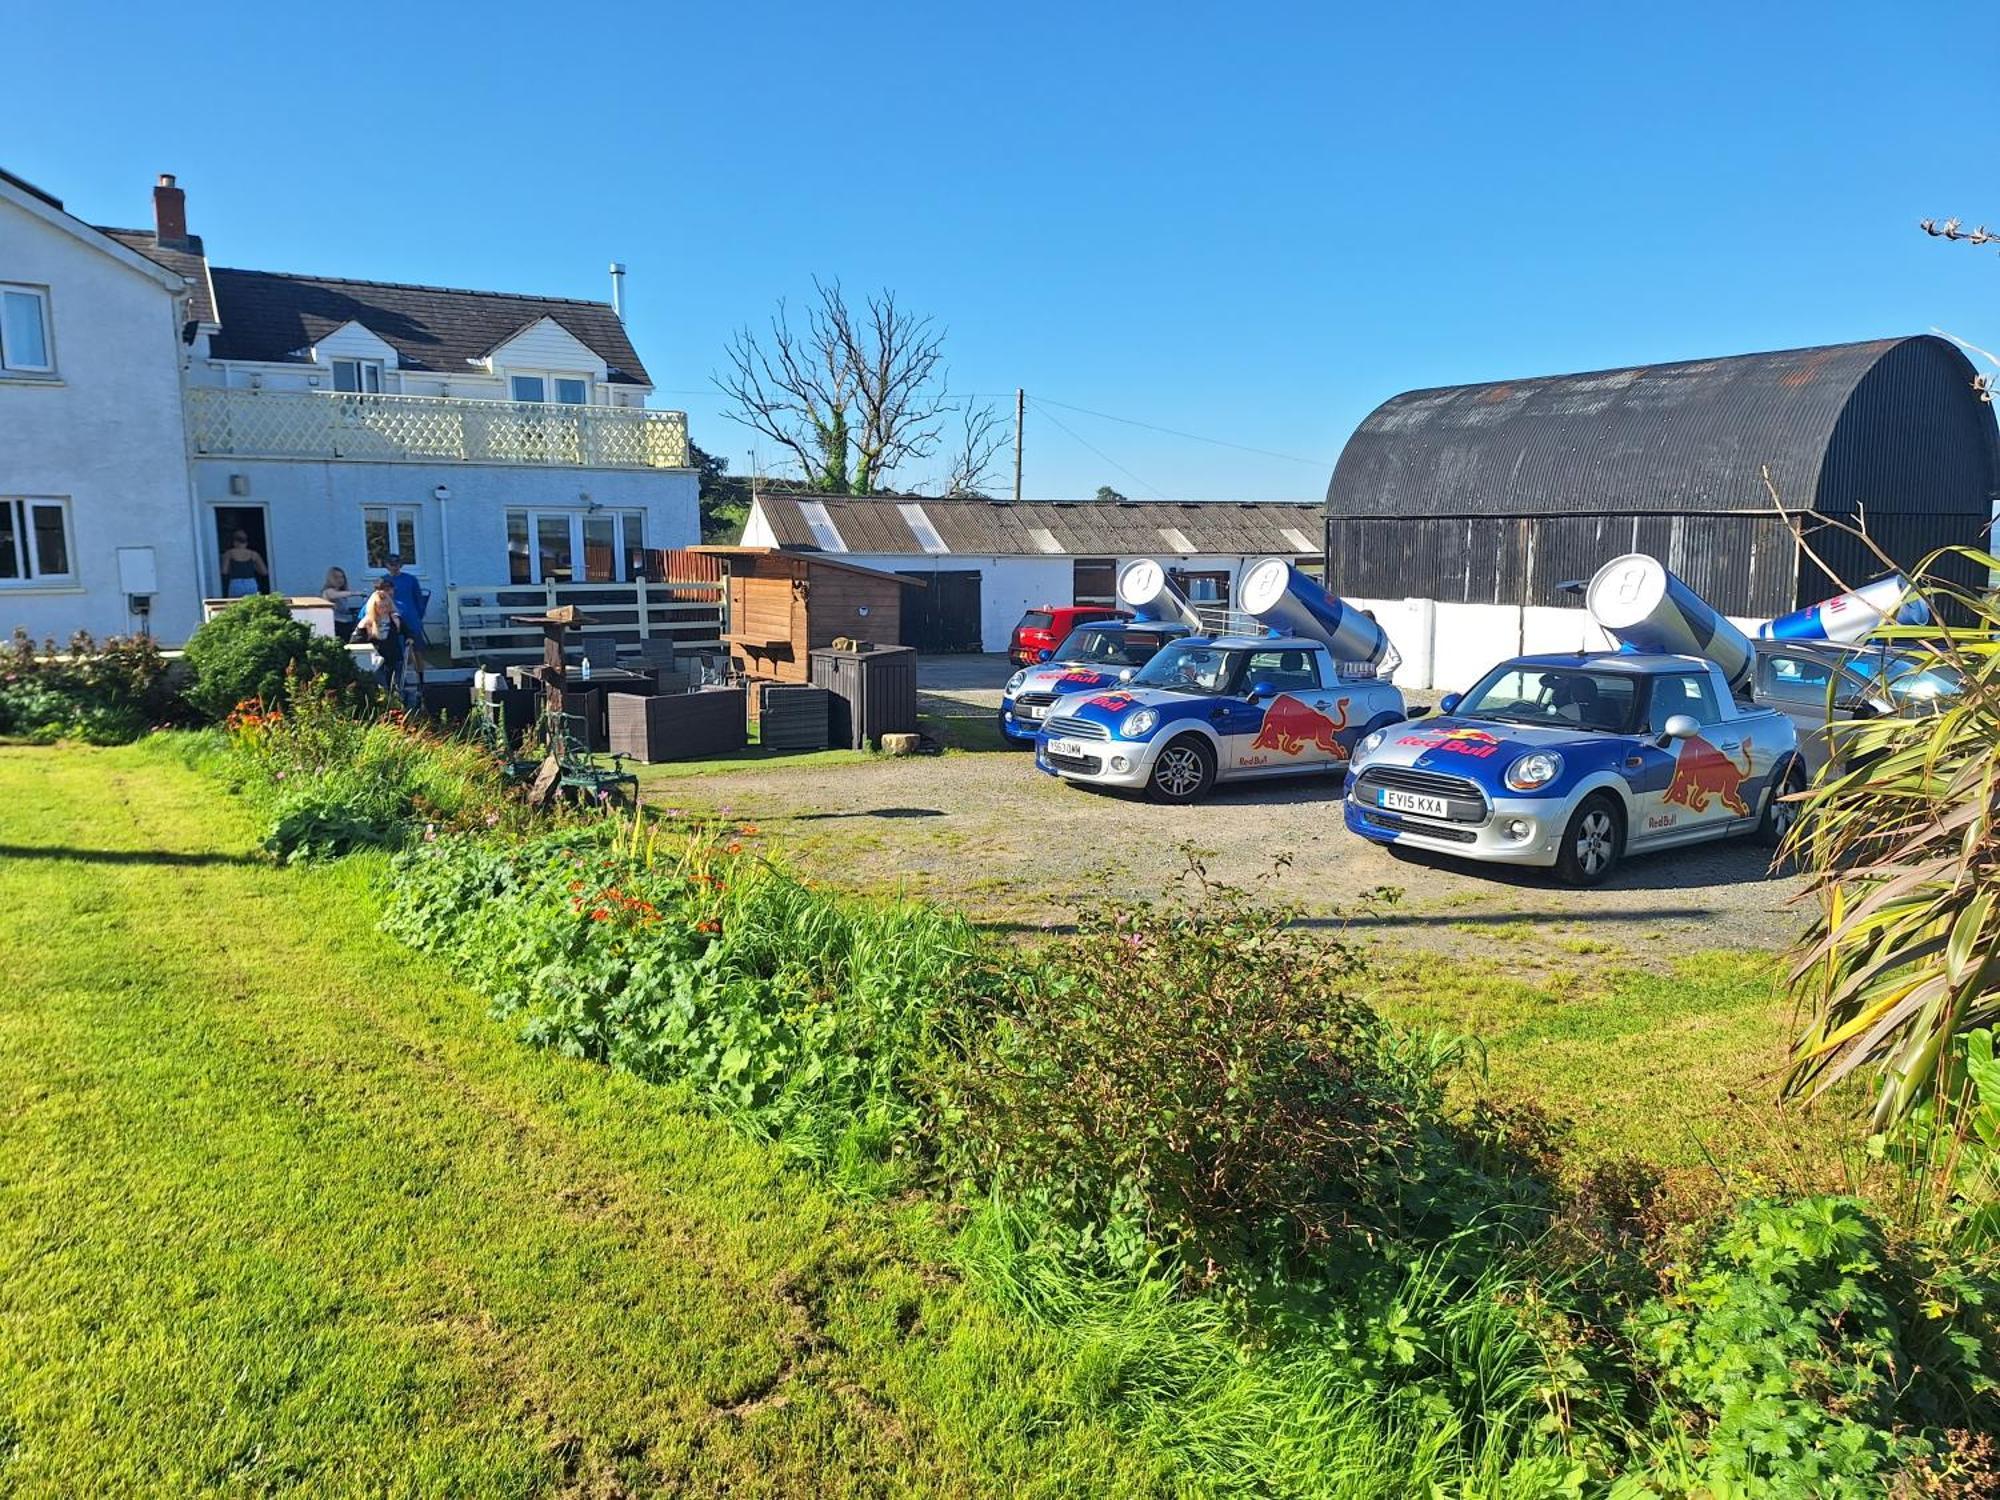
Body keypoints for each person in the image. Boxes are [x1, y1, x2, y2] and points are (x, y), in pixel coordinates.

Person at [353, 575, 406, 695]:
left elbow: (406, 630)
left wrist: (410, 638)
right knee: (381, 688)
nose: (384, 609)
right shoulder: (366, 617)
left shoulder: (394, 616)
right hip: (375, 659)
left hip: (393, 654)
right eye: (381, 607)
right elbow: (357, 639)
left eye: (387, 606)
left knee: (396, 685)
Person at [383, 554, 428, 685]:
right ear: (386, 565)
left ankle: (421, 680)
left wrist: (418, 616)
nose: (394, 567)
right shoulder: (383, 580)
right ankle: (400, 680)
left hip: (411, 618)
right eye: (391, 564)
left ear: (401, 565)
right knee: (397, 652)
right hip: (393, 619)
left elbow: (419, 599)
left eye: (396, 564)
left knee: (417, 650)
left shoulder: (411, 579)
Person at [220, 531, 268, 598]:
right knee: (252, 605)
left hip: (236, 582)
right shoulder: (254, 554)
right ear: (246, 542)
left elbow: (224, 571)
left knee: (235, 605)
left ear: (234, 542)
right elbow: (264, 572)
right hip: (251, 582)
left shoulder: (229, 553)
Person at [321, 566, 360, 642]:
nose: (340, 580)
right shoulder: (328, 591)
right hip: (336, 625)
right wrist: (355, 593)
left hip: (345, 624)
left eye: (342, 577)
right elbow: (334, 595)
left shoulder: (341, 592)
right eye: (336, 577)